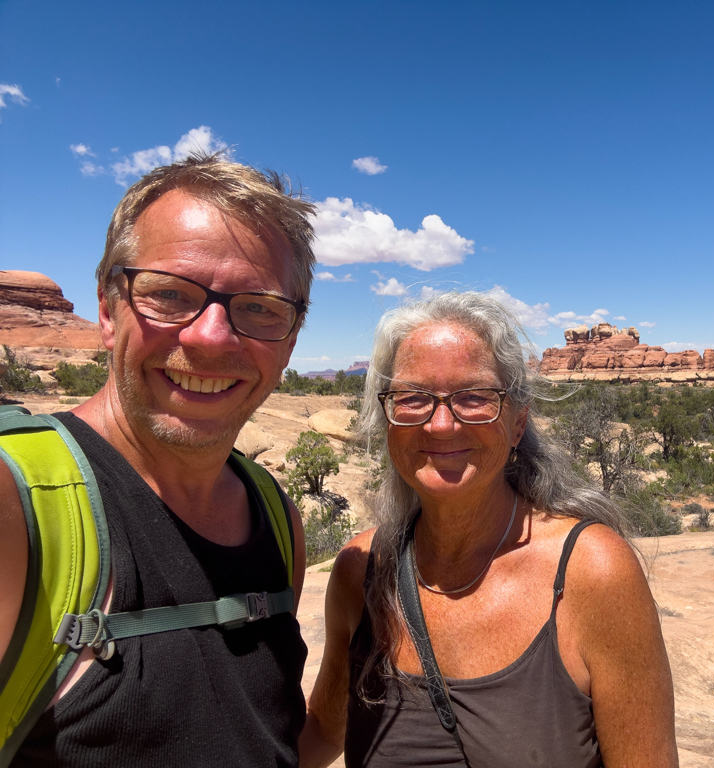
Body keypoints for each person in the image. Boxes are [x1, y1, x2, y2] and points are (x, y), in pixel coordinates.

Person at [0, 155, 316, 766]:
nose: (211, 336)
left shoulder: (275, 514)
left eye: (259, 307)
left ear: (292, 337)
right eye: (169, 294)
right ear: (107, 310)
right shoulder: (19, 505)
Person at [301, 292, 678, 767]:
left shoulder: (591, 572)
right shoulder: (363, 570)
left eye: (474, 397)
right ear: (387, 420)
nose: (441, 425)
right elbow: (320, 733)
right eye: (412, 398)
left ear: (517, 422)